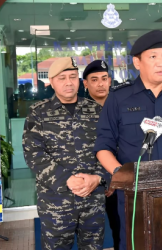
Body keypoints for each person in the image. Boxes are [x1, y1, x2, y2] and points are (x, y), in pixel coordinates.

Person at [93, 30, 162, 250]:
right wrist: (121, 175)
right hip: (134, 195)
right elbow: (103, 145)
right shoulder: (119, 98)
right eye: (153, 57)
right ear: (137, 62)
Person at [22, 57, 108, 250]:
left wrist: (98, 177)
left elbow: (109, 148)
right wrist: (66, 179)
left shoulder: (96, 111)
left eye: (72, 76)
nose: (68, 82)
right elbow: (33, 153)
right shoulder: (38, 113)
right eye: (62, 78)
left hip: (92, 199)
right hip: (56, 202)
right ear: (51, 82)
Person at [82, 59, 120, 250]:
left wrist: (113, 177)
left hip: (117, 179)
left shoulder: (121, 106)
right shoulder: (79, 110)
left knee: (119, 227)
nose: (100, 84)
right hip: (91, 180)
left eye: (104, 78)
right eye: (94, 79)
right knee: (90, 236)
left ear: (110, 81)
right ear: (85, 84)